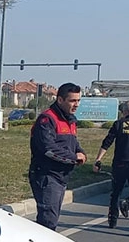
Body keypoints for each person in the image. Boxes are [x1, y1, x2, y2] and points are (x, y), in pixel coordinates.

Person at [28, 83, 86, 230]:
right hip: (47, 176)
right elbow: (48, 149)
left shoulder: (70, 120)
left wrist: (81, 152)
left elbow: (72, 142)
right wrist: (74, 157)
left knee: (51, 220)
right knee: (48, 223)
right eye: (72, 101)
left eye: (78, 100)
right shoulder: (47, 120)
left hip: (61, 176)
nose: (76, 104)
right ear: (60, 100)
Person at [93, 101, 129, 236]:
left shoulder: (119, 123)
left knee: (116, 192)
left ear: (125, 112)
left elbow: (107, 142)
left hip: (120, 164)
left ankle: (113, 221)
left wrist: (98, 159)